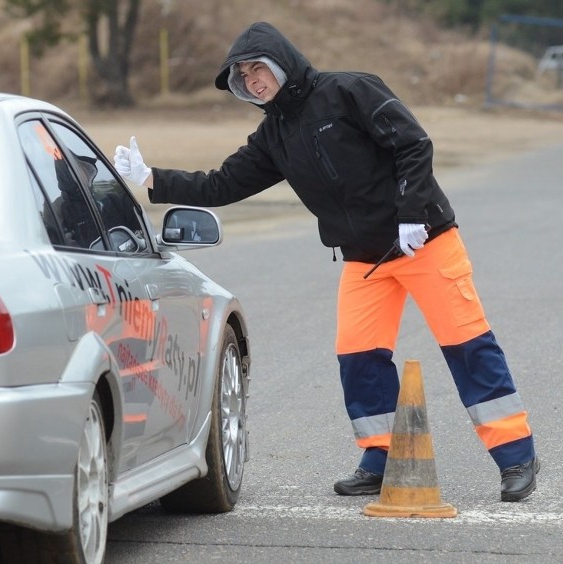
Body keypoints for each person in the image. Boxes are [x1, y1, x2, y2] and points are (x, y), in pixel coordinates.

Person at [114, 21, 539, 502]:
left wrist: (413, 213)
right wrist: (150, 177)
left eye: (258, 69)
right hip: (366, 260)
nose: (254, 81)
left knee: (467, 346)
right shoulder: (273, 134)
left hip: (426, 243)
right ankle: (381, 457)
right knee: (358, 358)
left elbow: (413, 144)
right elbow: (221, 184)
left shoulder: (349, 90)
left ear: (281, 61)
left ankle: (516, 456)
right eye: (243, 77)